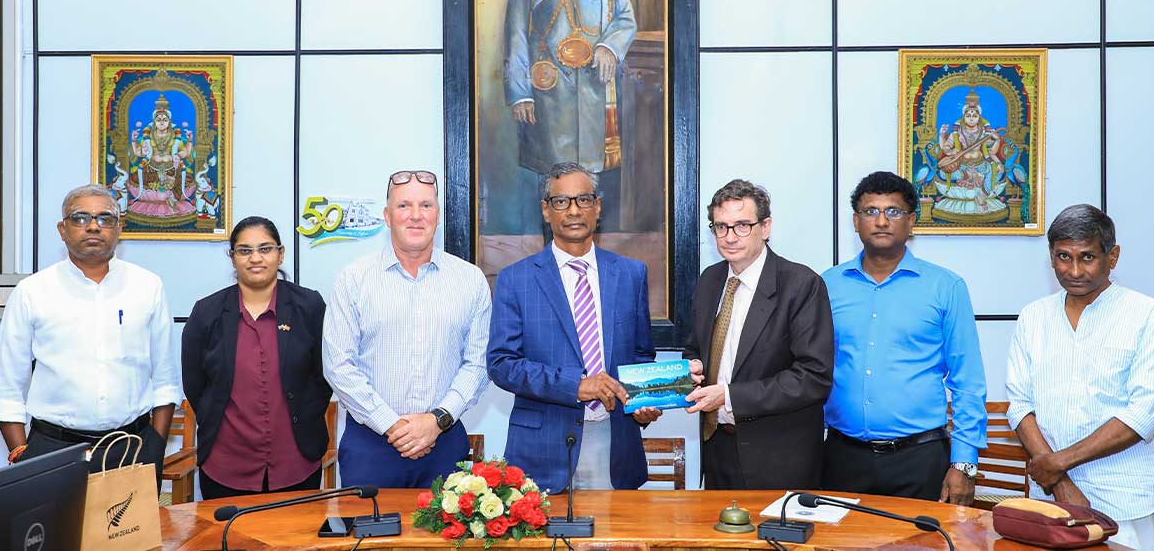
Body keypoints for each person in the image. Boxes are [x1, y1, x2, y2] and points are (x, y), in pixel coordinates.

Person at [0, 184, 181, 488]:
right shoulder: (32, 292)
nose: (93, 226)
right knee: (54, 523)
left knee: (132, 523)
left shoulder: (148, 287)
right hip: (53, 450)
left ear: (119, 228)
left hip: (132, 448)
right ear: (62, 230)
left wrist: (155, 447)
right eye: (80, 218)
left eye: (105, 218)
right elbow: (7, 389)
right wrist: (20, 453)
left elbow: (165, 380)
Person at [1006, 204, 1154, 549]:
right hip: (1049, 500)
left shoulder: (1147, 315)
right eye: (1063, 257)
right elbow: (1020, 405)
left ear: (1113, 257)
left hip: (1124, 497)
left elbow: (1144, 414)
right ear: (1051, 257)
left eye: (1087, 257)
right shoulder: (1033, 317)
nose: (1074, 270)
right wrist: (1059, 481)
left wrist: (1057, 463)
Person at [487, 161, 659, 493]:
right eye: (561, 201)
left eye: (583, 199)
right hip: (540, 450)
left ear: (598, 207)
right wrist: (575, 385)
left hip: (614, 442)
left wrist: (642, 400)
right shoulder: (516, 279)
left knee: (613, 530)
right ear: (546, 210)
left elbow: (641, 355)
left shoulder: (630, 274)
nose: (574, 210)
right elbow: (502, 364)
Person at [821, 171, 986, 504]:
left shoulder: (945, 287)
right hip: (842, 458)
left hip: (920, 460)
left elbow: (967, 382)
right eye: (871, 211)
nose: (882, 221)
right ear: (855, 221)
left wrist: (964, 464)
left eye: (893, 211)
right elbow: (811, 372)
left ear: (911, 221)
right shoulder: (827, 285)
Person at [322, 170, 492, 488]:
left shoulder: (470, 280)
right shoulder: (353, 280)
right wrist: (392, 425)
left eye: (425, 205)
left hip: (444, 443)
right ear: (387, 216)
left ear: (437, 215)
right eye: (404, 206)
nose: (416, 215)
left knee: (446, 524)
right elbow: (338, 366)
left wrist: (436, 421)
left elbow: (479, 364)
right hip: (370, 446)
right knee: (370, 525)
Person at [683, 179, 834, 489]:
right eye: (721, 227)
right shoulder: (710, 280)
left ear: (765, 227)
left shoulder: (801, 285)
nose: (730, 237)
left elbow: (813, 378)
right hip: (716, 449)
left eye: (742, 226)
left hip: (777, 458)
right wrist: (693, 368)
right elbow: (695, 349)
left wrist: (729, 396)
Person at [181, 216, 331, 499]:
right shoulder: (206, 313)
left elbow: (324, 377)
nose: (255, 258)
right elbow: (195, 385)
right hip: (226, 463)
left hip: (296, 461)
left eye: (265, 249)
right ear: (232, 257)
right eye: (245, 250)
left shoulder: (309, 306)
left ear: (280, 254)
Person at [504, 0, 636, 178]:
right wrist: (520, 93)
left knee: (593, 179)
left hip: (595, 89)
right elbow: (515, 32)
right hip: (548, 91)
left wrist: (609, 47)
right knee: (552, 179)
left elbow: (625, 18)